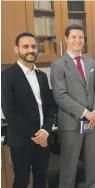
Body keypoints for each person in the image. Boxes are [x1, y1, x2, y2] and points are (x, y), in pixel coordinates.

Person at [1, 32, 57, 188]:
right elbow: (10, 112)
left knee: (41, 179)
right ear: (16, 49)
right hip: (21, 141)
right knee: (21, 182)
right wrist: (36, 134)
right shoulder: (6, 76)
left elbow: (51, 107)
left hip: (43, 139)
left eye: (33, 46)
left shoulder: (42, 76)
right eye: (25, 46)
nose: (31, 50)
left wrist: (45, 131)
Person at [50, 24, 95, 188]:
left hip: (92, 121)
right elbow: (60, 96)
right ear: (66, 39)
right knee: (69, 166)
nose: (78, 40)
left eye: (80, 37)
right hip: (71, 123)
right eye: (73, 37)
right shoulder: (58, 65)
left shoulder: (90, 61)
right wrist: (85, 112)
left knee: (92, 163)